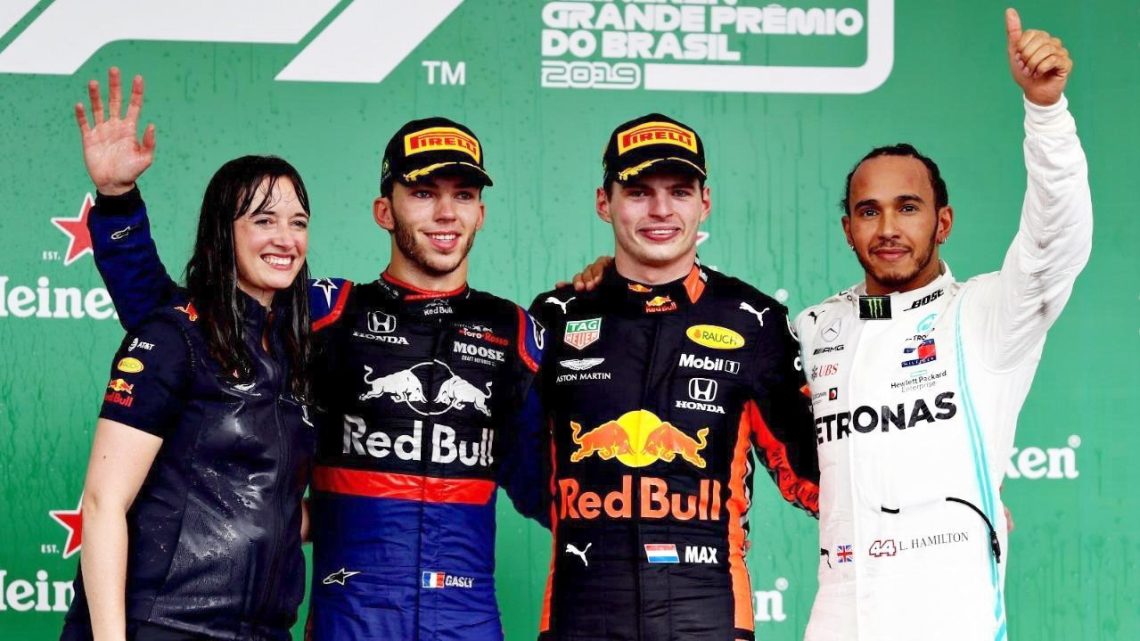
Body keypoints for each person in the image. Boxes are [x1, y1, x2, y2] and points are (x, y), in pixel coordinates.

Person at [82, 78, 545, 639]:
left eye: (464, 195)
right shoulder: (325, 312)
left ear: (482, 213)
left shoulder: (516, 332)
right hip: (349, 618)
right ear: (384, 210)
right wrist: (118, 206)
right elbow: (180, 320)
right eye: (424, 193)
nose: (446, 212)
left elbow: (555, 485)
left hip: (466, 621)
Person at [795, 9, 1090, 640]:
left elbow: (1056, 242)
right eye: (868, 211)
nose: (888, 228)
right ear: (847, 229)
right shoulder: (816, 326)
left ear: (943, 222)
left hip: (951, 618)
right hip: (837, 615)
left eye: (908, 208)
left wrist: (1046, 113)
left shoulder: (986, 314)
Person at [529, 114, 819, 641]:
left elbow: (814, 473)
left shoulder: (754, 321)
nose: (660, 210)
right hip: (581, 616)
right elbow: (502, 457)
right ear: (604, 202)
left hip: (709, 619)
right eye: (638, 192)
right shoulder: (556, 317)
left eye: (679, 191)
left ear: (704, 202)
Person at [61, 69, 316, 641]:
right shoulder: (176, 333)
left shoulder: (299, 353)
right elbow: (102, 504)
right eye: (264, 220)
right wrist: (117, 200)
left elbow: (262, 504)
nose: (285, 238)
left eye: (298, 222)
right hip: (162, 626)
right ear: (223, 232)